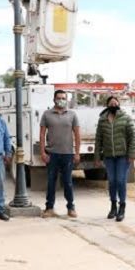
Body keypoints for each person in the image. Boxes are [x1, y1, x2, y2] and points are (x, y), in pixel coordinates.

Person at [94, 96, 135, 222]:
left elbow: (133, 137)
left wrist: (131, 154)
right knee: (112, 181)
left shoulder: (126, 118)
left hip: (123, 156)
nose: (113, 105)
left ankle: (122, 207)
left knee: (120, 180)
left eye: (115, 103)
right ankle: (113, 206)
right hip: (109, 157)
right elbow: (98, 139)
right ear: (107, 105)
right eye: (111, 103)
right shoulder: (102, 120)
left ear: (118, 104)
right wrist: (97, 156)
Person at [40, 90, 80, 218]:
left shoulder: (72, 115)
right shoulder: (47, 114)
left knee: (68, 182)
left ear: (67, 99)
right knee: (51, 181)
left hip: (67, 154)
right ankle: (49, 208)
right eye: (59, 98)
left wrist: (77, 153)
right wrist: (42, 152)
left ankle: (71, 207)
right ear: (54, 99)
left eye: (63, 98)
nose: (61, 100)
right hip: (52, 154)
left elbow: (77, 135)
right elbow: (42, 135)